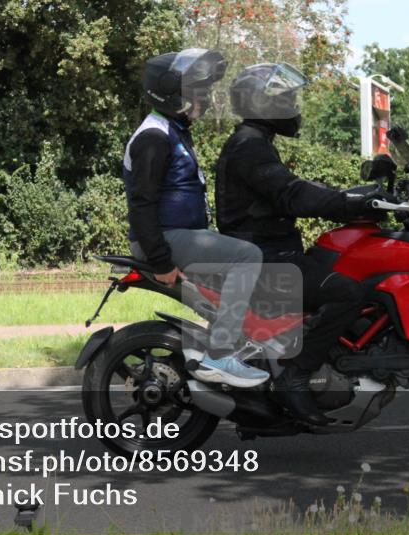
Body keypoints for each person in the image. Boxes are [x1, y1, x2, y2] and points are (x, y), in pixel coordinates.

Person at [215, 62, 376, 424]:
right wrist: (350, 203)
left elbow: (292, 187)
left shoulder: (255, 143)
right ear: (262, 104)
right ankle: (296, 376)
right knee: (348, 293)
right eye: (285, 99)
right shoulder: (249, 148)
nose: (292, 106)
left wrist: (355, 195)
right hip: (266, 261)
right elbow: (292, 195)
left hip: (271, 254)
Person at [124, 48, 268, 388]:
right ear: (170, 93)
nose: (203, 97)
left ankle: (241, 347)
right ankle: (220, 356)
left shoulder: (170, 130)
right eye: (196, 91)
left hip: (176, 236)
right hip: (164, 239)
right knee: (248, 256)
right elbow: (142, 204)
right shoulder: (154, 137)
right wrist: (160, 260)